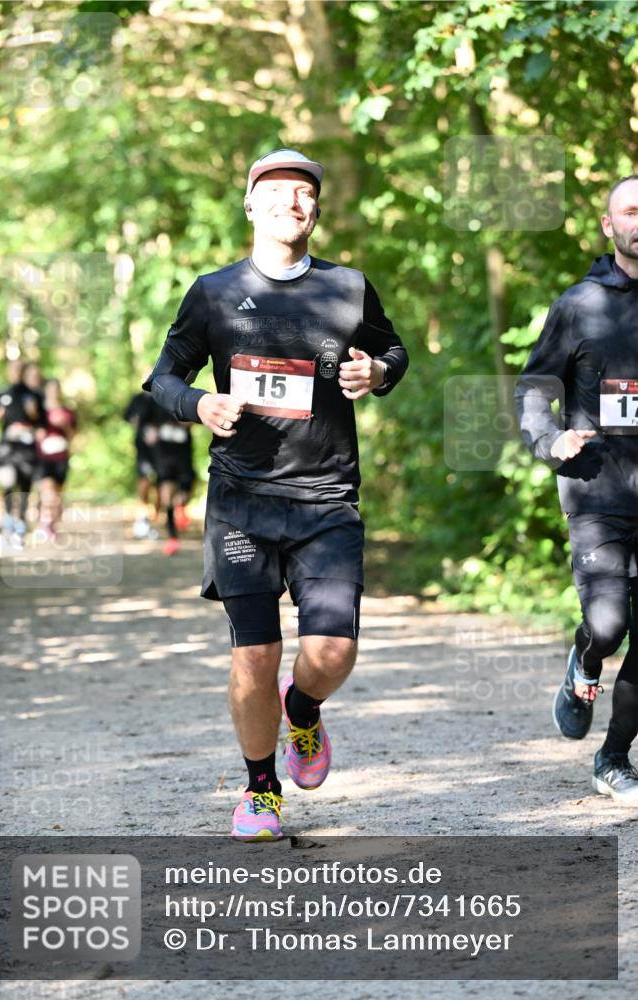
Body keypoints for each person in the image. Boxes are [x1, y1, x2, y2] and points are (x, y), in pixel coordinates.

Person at [144, 147, 408, 840]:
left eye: (304, 195)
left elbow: (394, 351)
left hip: (326, 498)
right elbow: (163, 377)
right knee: (253, 654)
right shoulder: (213, 292)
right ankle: (260, 790)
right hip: (242, 499)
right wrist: (198, 405)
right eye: (278, 193)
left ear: (315, 210)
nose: (293, 204)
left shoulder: (347, 288)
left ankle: (305, 710)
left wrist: (376, 373)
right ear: (251, 206)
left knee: (332, 654)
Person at [516, 174, 638, 806]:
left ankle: (613, 758)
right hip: (599, 492)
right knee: (609, 622)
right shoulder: (580, 304)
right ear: (608, 225)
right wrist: (549, 439)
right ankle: (586, 661)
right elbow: (535, 386)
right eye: (631, 210)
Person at [0, 358, 45, 551]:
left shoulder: (33, 395)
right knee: (7, 482)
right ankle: (7, 523)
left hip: (27, 450)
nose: (15, 373)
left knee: (24, 486)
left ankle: (20, 528)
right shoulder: (2, 394)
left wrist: (32, 418)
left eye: (19, 369)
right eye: (12, 369)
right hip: (8, 448)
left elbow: (42, 423)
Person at [149, 399, 197, 557]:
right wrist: (150, 432)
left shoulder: (188, 397)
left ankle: (181, 509)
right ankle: (173, 538)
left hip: (184, 459)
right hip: (164, 459)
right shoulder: (155, 401)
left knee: (185, 496)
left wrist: (189, 421)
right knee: (166, 498)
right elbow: (144, 422)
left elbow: (202, 416)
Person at [33, 378, 77, 542]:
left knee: (57, 494)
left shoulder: (67, 411)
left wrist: (64, 424)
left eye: (56, 389)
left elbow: (73, 435)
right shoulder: (40, 411)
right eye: (51, 389)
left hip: (61, 457)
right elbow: (34, 430)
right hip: (44, 457)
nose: (54, 393)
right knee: (47, 491)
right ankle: (44, 523)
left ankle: (51, 524)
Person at [123, 391, 160, 539]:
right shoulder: (137, 399)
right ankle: (142, 519)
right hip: (143, 450)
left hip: (163, 450)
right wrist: (136, 423)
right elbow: (127, 415)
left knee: (160, 488)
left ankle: (153, 522)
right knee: (144, 483)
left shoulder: (164, 397)